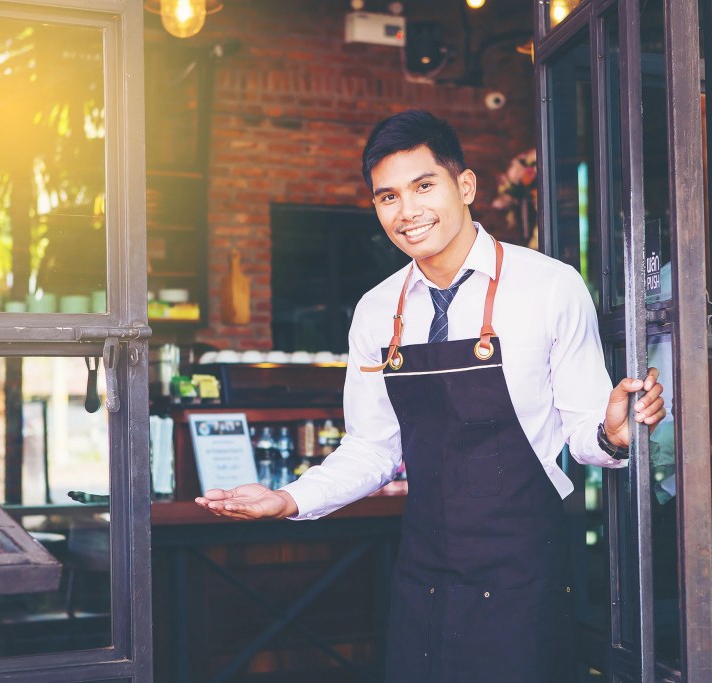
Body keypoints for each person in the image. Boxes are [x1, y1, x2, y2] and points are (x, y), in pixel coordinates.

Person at [195, 110, 665, 683]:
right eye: (388, 197)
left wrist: (612, 434)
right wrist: (287, 499)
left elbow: (585, 429)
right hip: (424, 572)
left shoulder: (549, 286)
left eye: (423, 186)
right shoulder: (376, 310)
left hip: (522, 573)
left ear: (464, 186)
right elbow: (372, 448)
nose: (408, 211)